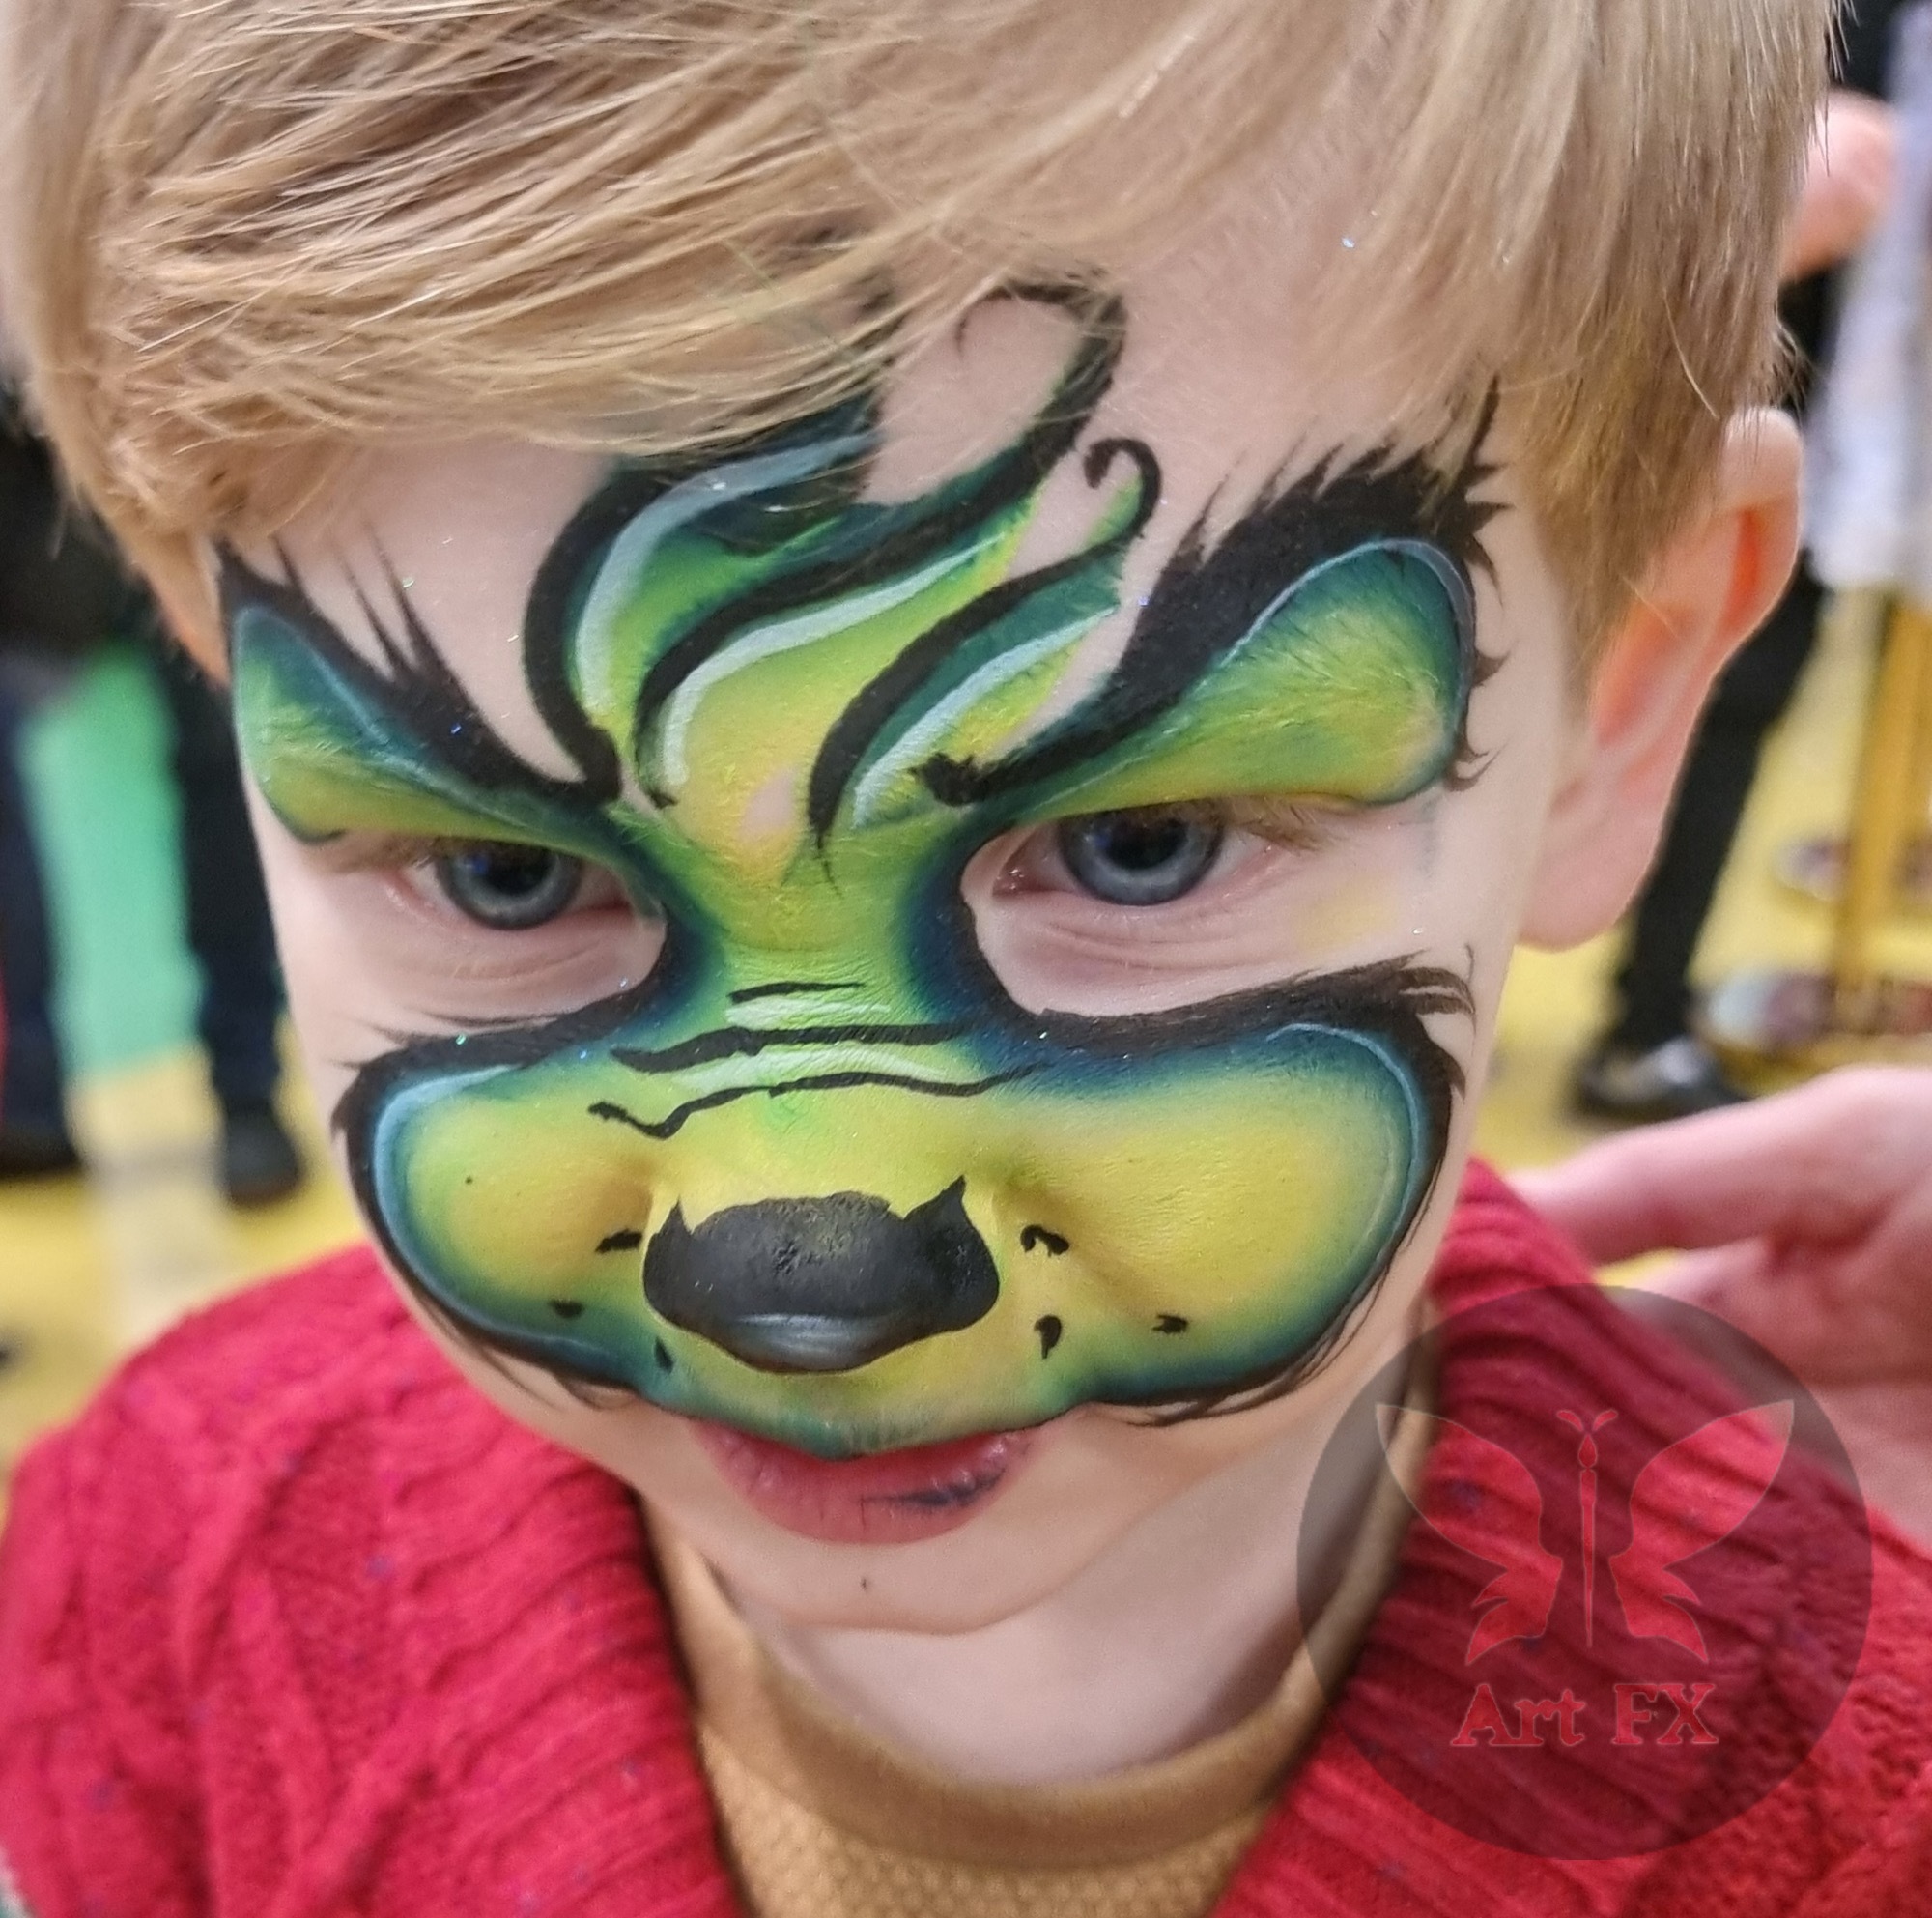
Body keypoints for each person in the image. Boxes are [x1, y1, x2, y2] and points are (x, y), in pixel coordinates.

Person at [5, 1, 1932, 1911]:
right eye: (508, 874)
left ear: (1620, 692)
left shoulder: (1856, 1796)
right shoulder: (156, 1571)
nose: (805, 1266)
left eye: (1134, 845)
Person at [1576, 7, 1904, 1120]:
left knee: (1692, 705)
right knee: (1685, 702)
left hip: (1766, 430)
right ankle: (1639, 1026)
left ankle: (1646, 1008)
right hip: (1701, 417)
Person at [0, 400, 304, 1202]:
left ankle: (245, 1092)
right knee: (216, 755)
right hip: (121, 416)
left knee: (221, 751)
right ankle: (33, 1095)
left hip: (144, 419)